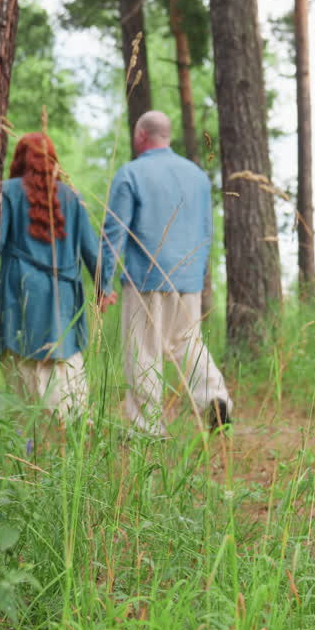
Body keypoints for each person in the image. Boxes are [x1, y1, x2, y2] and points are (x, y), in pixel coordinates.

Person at [104, 110, 232, 436]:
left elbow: (113, 233)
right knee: (188, 343)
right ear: (168, 136)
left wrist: (103, 283)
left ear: (141, 136)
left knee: (143, 350)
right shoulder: (198, 176)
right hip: (188, 280)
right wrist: (198, 277)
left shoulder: (130, 173)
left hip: (145, 278)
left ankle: (147, 427)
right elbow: (206, 231)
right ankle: (215, 397)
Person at [0, 132, 114, 419]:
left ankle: (29, 430)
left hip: (20, 289)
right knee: (64, 357)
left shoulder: (7, 191)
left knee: (23, 359)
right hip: (63, 293)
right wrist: (104, 288)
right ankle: (71, 419)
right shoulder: (72, 196)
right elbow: (91, 249)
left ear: (20, 159)